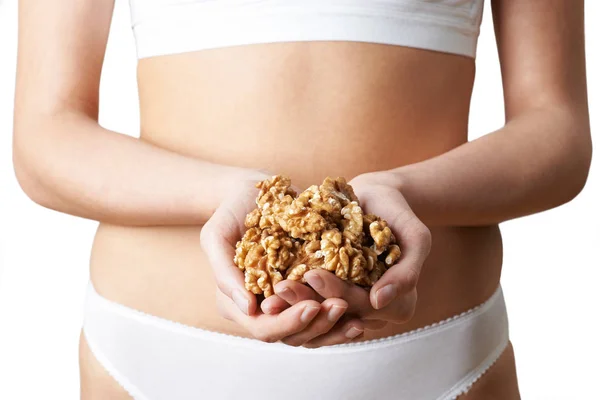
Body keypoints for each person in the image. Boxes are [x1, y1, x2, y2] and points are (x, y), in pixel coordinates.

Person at [13, 0, 591, 399]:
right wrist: (229, 196)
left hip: (437, 362)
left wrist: (403, 192)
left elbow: (556, 130)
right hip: (155, 355)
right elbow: (44, 135)